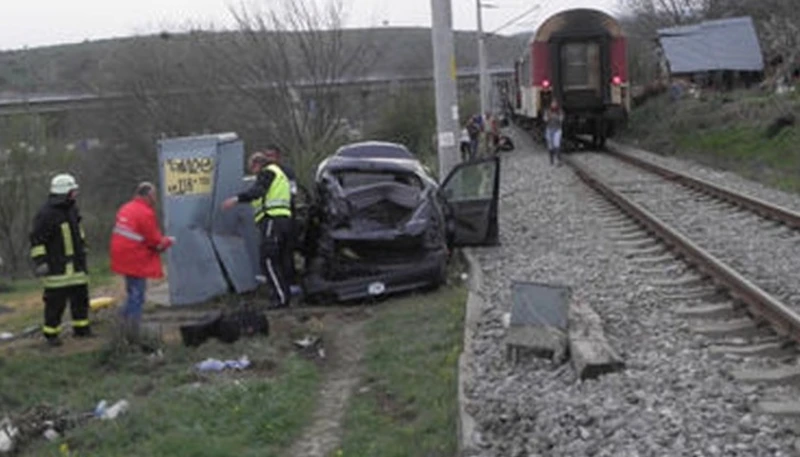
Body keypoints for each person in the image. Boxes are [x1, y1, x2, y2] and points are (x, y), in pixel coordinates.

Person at [222, 151, 293, 309]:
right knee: (278, 260)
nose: (252, 173)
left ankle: (280, 298)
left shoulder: (268, 172)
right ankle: (282, 295)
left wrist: (236, 199)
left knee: (267, 259)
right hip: (281, 220)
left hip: (272, 219)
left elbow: (258, 191)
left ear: (256, 165)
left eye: (251, 169)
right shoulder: (280, 174)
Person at [29, 173, 92, 347]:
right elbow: (37, 240)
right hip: (57, 270)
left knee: (81, 300)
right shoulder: (46, 214)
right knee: (55, 305)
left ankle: (82, 330)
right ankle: (51, 335)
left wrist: (83, 249)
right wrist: (41, 262)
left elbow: (78, 233)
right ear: (64, 192)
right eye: (73, 191)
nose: (75, 194)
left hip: (77, 268)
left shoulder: (72, 210)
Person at [109, 182, 174, 345]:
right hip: (134, 257)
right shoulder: (145, 212)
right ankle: (131, 331)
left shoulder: (126, 208)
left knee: (132, 292)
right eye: (154, 194)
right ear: (148, 195)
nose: (156, 198)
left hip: (121, 255)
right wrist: (168, 241)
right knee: (137, 294)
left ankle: (121, 322)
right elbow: (154, 240)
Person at [262, 145, 300, 293]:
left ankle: (289, 284)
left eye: (271, 156)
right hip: (270, 218)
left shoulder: (286, 172)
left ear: (278, 157)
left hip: (285, 217)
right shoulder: (265, 173)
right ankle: (280, 285)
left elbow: (293, 192)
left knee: (286, 252)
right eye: (266, 156)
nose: (268, 159)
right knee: (274, 254)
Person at [544, 100, 564, 165]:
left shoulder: (559, 111)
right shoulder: (548, 111)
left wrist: (557, 117)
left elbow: (561, 119)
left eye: (555, 104)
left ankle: (559, 160)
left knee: (557, 145)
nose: (554, 105)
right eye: (553, 104)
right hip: (549, 129)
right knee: (550, 146)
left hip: (557, 130)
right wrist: (548, 117)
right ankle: (551, 160)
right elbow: (545, 119)